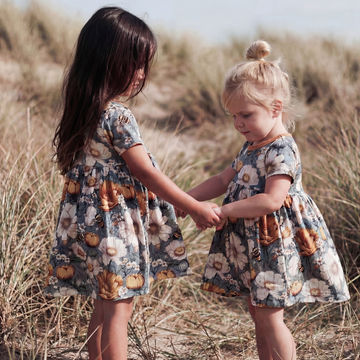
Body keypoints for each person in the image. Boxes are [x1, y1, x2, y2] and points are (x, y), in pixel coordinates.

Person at [45, 7, 220, 360]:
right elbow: (146, 172)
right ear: (108, 61)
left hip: (86, 223)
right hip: (113, 226)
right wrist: (192, 205)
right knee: (120, 311)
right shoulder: (117, 114)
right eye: (135, 63)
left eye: (145, 65)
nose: (141, 75)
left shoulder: (84, 109)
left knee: (104, 304)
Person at [181, 40, 350, 360]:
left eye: (246, 114)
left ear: (276, 108)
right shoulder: (251, 146)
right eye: (233, 116)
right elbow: (221, 180)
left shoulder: (281, 148)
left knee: (271, 317)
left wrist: (224, 210)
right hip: (252, 246)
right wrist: (187, 201)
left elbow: (272, 200)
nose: (238, 124)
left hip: (276, 244)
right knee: (258, 314)